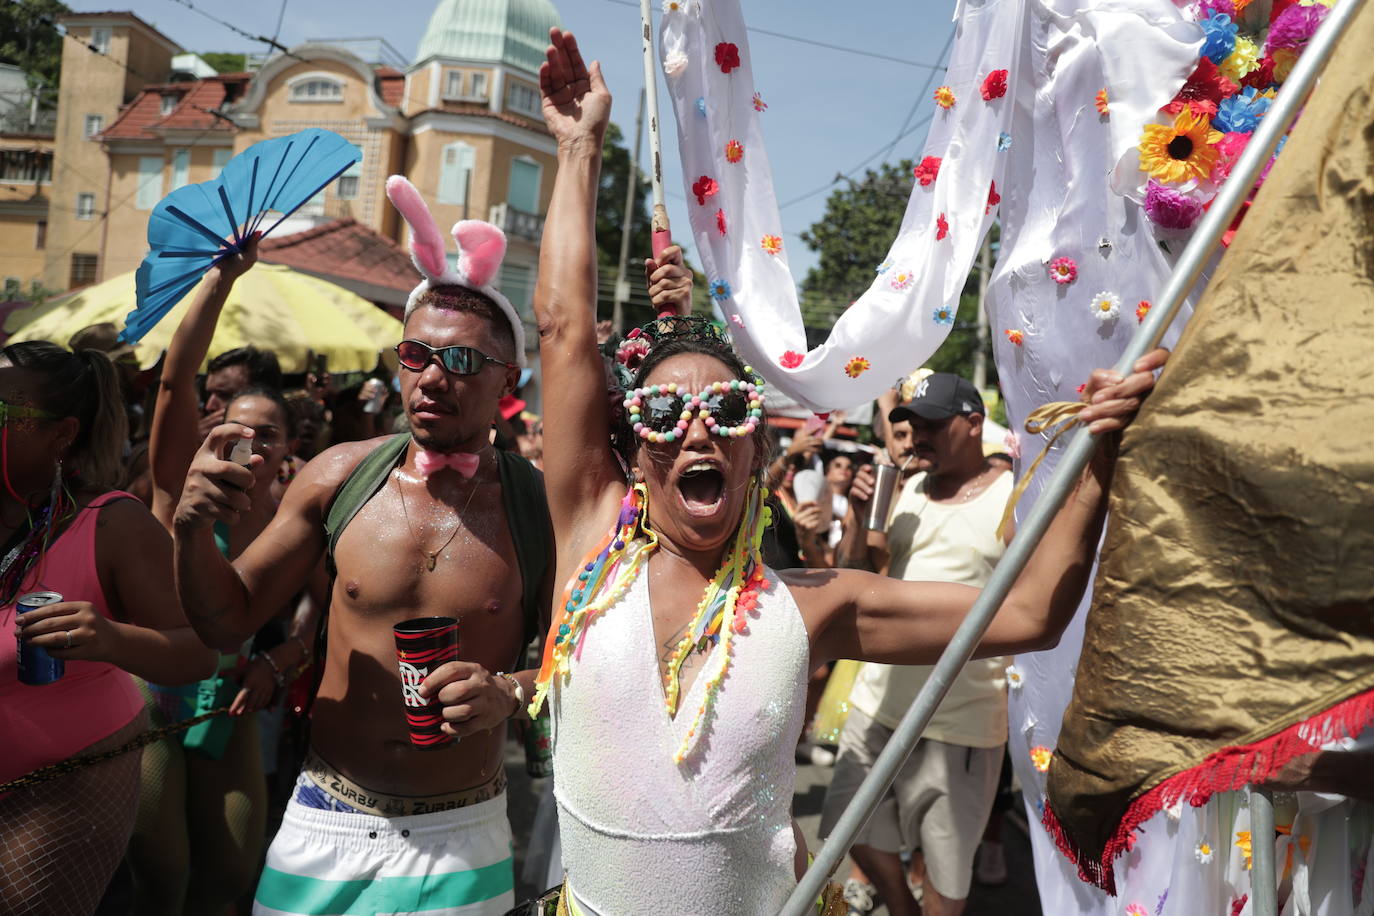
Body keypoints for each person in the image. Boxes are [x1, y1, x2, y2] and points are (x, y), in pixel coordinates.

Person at [526, 28, 1167, 914]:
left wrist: (1097, 456)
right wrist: (576, 147)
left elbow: (1030, 612)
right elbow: (564, 329)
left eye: (729, 411)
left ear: (756, 452)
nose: (697, 433)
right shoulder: (589, 543)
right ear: (634, 453)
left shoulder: (813, 604)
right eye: (665, 414)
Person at [172, 176, 552, 916]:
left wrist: (510, 691)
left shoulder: (538, 506)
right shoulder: (338, 476)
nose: (434, 378)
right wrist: (190, 531)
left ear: (509, 378)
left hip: (463, 830)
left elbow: (582, 664)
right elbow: (224, 619)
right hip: (326, 816)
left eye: (465, 362)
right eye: (417, 355)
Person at [1, 341, 215, 914]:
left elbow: (199, 654)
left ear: (61, 433)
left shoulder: (112, 522)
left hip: (60, 792)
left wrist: (111, 639)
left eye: (4, 411)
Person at [132, 236, 307, 915]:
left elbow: (321, 610)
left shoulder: (296, 512)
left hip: (229, 706)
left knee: (232, 874)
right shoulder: (182, 485)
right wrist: (220, 280)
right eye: (237, 428)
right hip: (154, 699)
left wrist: (279, 660)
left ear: (291, 446)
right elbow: (176, 380)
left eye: (269, 434)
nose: (252, 444)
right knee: (161, 876)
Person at [822, 373, 1013, 916]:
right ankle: (902, 909)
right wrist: (858, 518)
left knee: (948, 880)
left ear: (974, 424)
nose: (918, 436)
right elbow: (858, 575)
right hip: (878, 703)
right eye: (912, 425)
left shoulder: (1012, 496)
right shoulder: (907, 489)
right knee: (845, 824)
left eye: (933, 424)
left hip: (963, 720)